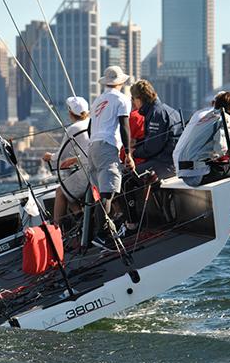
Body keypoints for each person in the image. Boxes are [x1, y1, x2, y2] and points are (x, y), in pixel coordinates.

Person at [173, 91, 230, 244]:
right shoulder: (227, 119)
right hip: (199, 173)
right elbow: (221, 150)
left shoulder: (206, 116)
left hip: (186, 172)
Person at [122, 80, 183, 231]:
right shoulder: (162, 110)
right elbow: (156, 141)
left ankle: (132, 225)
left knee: (126, 180)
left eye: (133, 99)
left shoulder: (156, 113)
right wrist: (139, 143)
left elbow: (152, 148)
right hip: (169, 160)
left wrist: (133, 152)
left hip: (166, 164)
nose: (132, 102)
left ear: (139, 99)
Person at [88, 66, 135, 248]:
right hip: (107, 146)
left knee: (101, 194)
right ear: (121, 82)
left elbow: (91, 128)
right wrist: (129, 154)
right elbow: (124, 127)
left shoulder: (97, 101)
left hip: (93, 146)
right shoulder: (122, 100)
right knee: (107, 193)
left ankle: (99, 232)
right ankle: (100, 235)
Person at [42, 96, 90, 227]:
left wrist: (48, 156)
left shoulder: (73, 128)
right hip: (97, 166)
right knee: (68, 187)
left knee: (61, 191)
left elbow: (59, 155)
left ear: (70, 112)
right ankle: (80, 216)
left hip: (89, 172)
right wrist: (76, 159)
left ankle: (56, 229)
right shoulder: (92, 122)